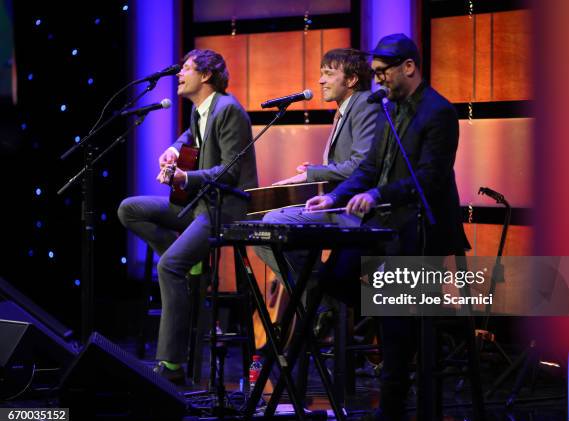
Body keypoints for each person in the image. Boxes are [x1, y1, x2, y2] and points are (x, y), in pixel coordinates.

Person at [305, 34, 468, 421]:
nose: (378, 82)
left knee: (395, 317)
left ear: (408, 67)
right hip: (387, 227)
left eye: (383, 74)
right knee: (334, 277)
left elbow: (427, 179)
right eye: (375, 75)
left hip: (422, 228)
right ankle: (397, 321)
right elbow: (367, 167)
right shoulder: (390, 108)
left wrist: (378, 194)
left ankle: (391, 413)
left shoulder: (439, 112)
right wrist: (335, 196)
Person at [117, 49, 257, 384]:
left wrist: (184, 178)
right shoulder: (200, 111)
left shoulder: (228, 109)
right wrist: (175, 149)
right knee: (129, 209)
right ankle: (185, 259)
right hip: (199, 206)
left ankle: (171, 366)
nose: (179, 74)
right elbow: (191, 135)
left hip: (225, 208)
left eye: (187, 69)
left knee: (168, 267)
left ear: (206, 76)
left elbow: (231, 171)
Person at [254, 48, 379, 293]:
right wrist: (317, 170)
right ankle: (318, 299)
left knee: (271, 224)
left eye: (329, 74)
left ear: (351, 80)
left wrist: (313, 174)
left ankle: (317, 298)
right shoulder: (345, 109)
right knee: (261, 235)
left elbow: (361, 164)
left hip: (352, 208)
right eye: (321, 74)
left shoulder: (364, 104)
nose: (321, 80)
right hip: (334, 203)